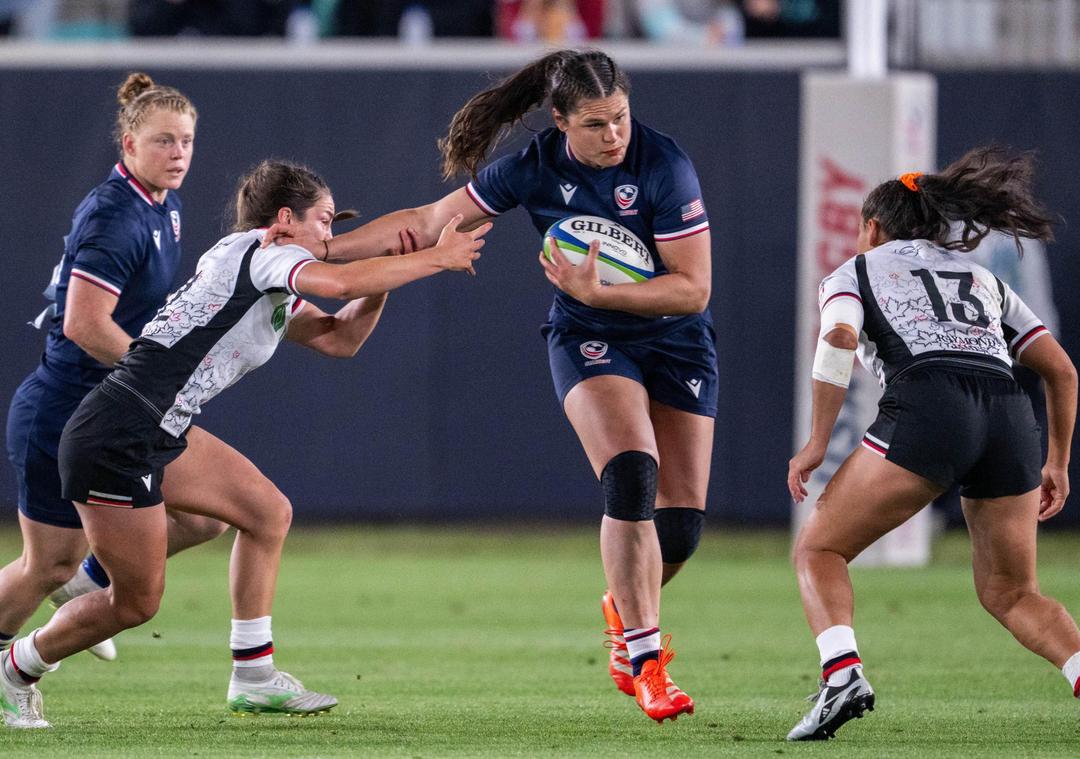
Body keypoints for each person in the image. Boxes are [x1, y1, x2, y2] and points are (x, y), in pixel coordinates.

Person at [265, 49, 713, 723]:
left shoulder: (664, 165)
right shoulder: (534, 169)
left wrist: (603, 286)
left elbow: (694, 287)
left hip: (676, 339)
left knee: (678, 528)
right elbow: (425, 223)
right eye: (595, 124)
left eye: (620, 117)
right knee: (630, 474)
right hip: (591, 338)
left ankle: (623, 602)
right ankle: (648, 663)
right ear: (559, 120)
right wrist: (321, 252)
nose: (614, 135)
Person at [0, 160, 489, 729]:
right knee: (136, 605)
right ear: (285, 219)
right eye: (325, 221)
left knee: (263, 512)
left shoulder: (260, 266)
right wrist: (430, 257)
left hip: (156, 424)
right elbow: (337, 283)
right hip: (119, 434)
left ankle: (253, 677)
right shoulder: (266, 252)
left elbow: (340, 338)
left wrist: (387, 275)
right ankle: (15, 666)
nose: (330, 238)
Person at [785, 147, 1080, 743]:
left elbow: (839, 336)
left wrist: (817, 442)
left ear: (872, 227)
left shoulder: (855, 271)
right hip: (1008, 415)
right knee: (1012, 591)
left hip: (930, 405)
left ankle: (842, 675)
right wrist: (1058, 460)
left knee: (819, 549)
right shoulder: (984, 278)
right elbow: (1062, 371)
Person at [2, 72, 228, 666]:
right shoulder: (116, 215)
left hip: (116, 409)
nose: (178, 153)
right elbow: (84, 324)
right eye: (162, 141)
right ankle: (45, 625)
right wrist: (152, 374)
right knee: (45, 564)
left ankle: (89, 581)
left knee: (208, 513)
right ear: (128, 145)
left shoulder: (164, 205)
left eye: (186, 141)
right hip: (67, 407)